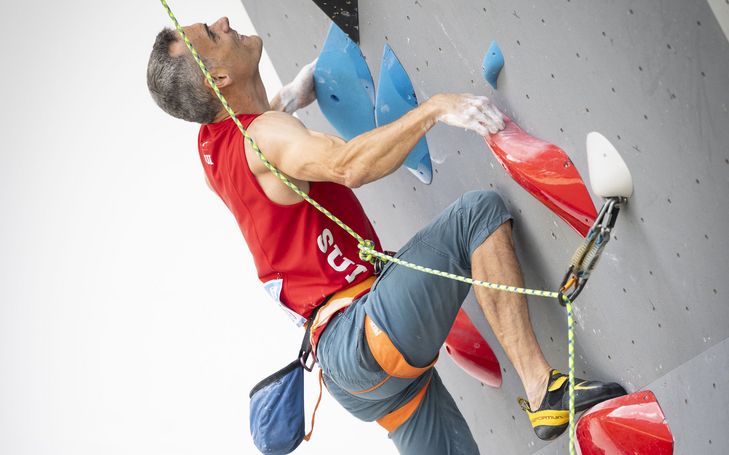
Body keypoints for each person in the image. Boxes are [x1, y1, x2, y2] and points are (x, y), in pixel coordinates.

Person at [147, 17, 626, 454]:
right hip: (363, 334)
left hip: (352, 379)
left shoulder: (211, 151)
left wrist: (287, 98)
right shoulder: (265, 139)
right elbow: (346, 164)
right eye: (213, 34)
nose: (225, 22)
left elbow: (257, 151)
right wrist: (435, 110)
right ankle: (543, 388)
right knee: (476, 215)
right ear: (219, 79)